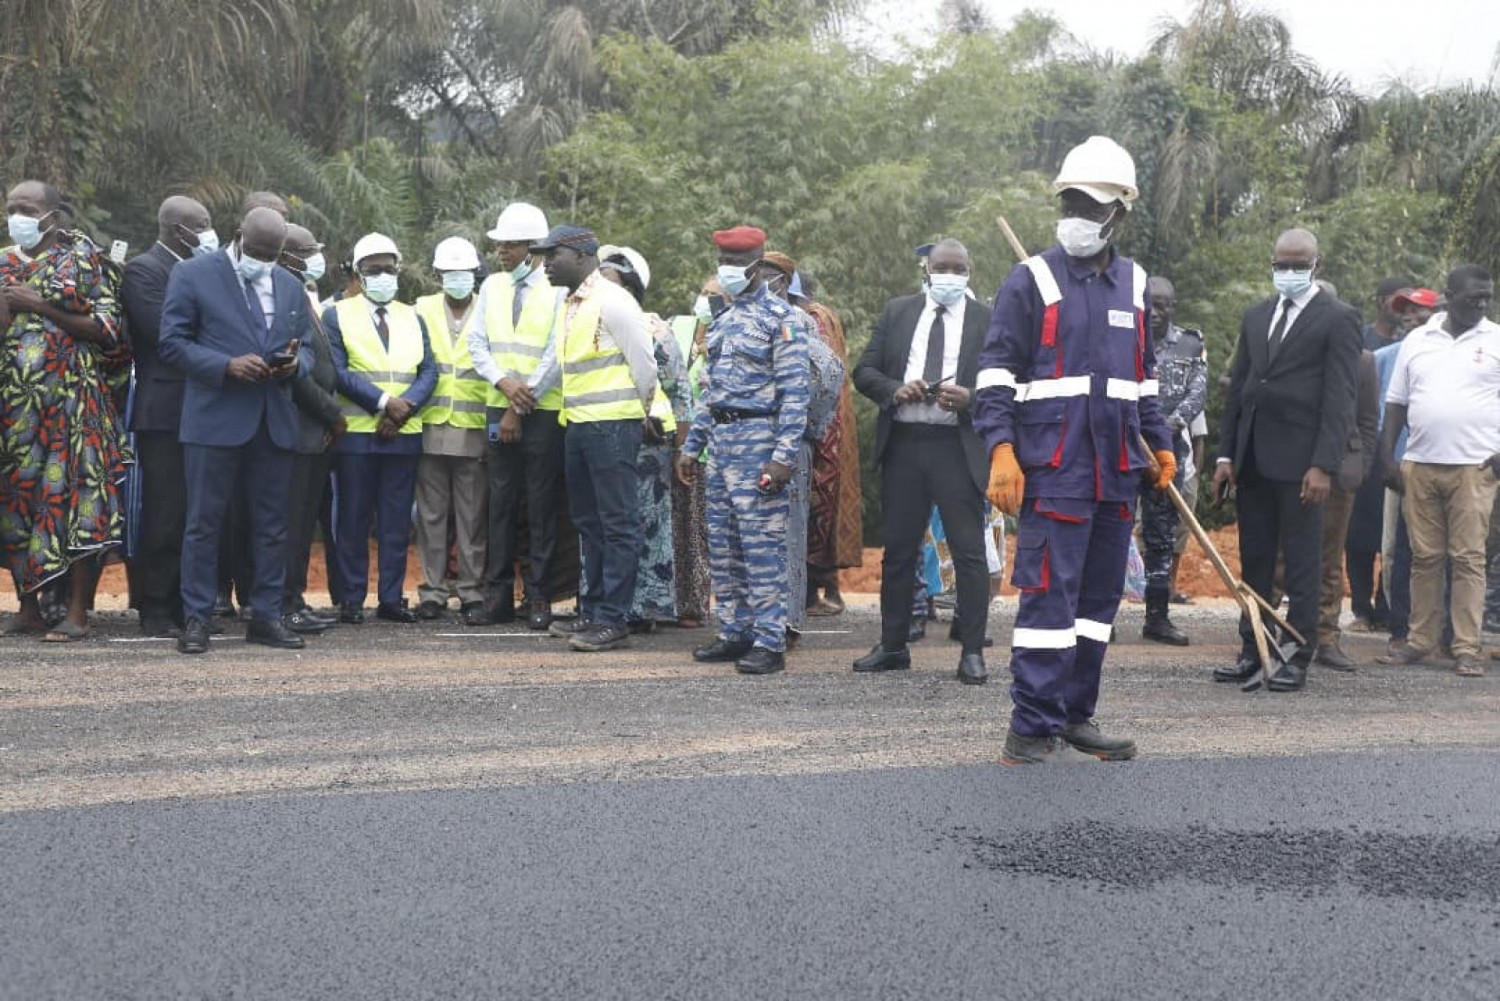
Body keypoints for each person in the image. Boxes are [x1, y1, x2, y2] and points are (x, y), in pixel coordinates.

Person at [974, 136, 1174, 763]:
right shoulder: (1029, 279)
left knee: (1095, 609)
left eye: (1089, 206)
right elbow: (996, 373)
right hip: (1055, 469)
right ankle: (1029, 726)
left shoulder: (1134, 284)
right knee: (1047, 604)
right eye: (1069, 202)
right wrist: (1001, 449)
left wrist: (1161, 445)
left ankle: (1075, 715)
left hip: (1116, 473)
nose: (1076, 217)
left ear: (1118, 213)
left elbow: (1142, 379)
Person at [157, 206, 313, 654]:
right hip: (214, 420)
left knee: (272, 526)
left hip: (273, 421)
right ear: (238, 236)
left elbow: (310, 353)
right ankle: (198, 620)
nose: (262, 260)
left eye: (272, 254)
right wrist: (224, 365)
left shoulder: (290, 285)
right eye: (257, 251)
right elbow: (172, 342)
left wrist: (295, 365)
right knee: (204, 524)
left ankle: (265, 616)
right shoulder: (193, 274)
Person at [1211, 228, 1362, 692]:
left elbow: (1340, 399)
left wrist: (1323, 464)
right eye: (1282, 264)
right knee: (1254, 559)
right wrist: (1225, 455)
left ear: (1317, 266)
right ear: (1272, 264)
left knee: (1302, 562)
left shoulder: (1338, 318)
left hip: (1303, 465)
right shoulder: (1256, 316)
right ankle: (1253, 648)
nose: (1289, 272)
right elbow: (1241, 388)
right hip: (1254, 458)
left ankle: (1298, 652)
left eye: (1299, 264)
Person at [852, 237, 993, 685]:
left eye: (959, 268)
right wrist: (895, 389)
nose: (951, 275)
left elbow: (1011, 384)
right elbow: (864, 372)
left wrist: (971, 398)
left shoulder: (986, 320)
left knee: (969, 553)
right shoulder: (898, 312)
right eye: (943, 268)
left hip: (957, 448)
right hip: (905, 445)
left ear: (969, 273)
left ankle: (971, 651)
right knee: (899, 551)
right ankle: (893, 645)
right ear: (926, 271)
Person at [0, 180, 131, 642]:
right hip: (15, 408)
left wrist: (40, 305)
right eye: (12, 207)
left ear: (52, 215)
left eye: (27, 208)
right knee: (20, 500)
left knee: (79, 501)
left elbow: (107, 330)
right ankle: (29, 607)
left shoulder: (86, 260)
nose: (17, 215)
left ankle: (76, 613)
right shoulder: (4, 262)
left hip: (76, 407)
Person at [675, 226, 810, 675]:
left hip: (760, 442)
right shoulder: (724, 321)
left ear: (757, 264)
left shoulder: (781, 319)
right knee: (726, 545)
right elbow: (711, 392)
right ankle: (734, 632)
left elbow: (795, 393)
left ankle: (769, 640)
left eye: (736, 263)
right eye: (722, 262)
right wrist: (692, 447)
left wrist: (784, 456)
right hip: (722, 445)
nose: (727, 270)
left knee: (762, 547)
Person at [534, 225, 659, 653]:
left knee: (618, 523)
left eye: (554, 255)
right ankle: (591, 611)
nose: (547, 263)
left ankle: (613, 618)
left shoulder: (614, 301)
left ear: (583, 255)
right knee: (589, 524)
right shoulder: (571, 303)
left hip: (612, 426)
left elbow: (644, 364)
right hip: (580, 426)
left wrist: (641, 411)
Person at [1380, 265, 1500, 678]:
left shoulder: (1497, 338)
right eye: (1474, 296)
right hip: (1421, 464)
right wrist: (1388, 458)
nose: (1482, 303)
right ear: (1450, 296)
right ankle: (1420, 641)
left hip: (1475, 467)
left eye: (1487, 296)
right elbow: (1395, 403)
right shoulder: (1418, 340)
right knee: (1424, 558)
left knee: (1468, 558)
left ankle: (1466, 647)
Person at [325, 233, 437, 625]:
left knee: (395, 523)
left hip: (403, 433)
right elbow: (338, 372)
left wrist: (401, 411)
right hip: (357, 435)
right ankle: (353, 599)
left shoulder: (413, 316)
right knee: (352, 519)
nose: (384, 276)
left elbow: (429, 371)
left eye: (390, 269)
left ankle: (391, 598)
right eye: (375, 270)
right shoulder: (337, 314)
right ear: (359, 273)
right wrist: (383, 404)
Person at [467, 201, 568, 629]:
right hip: (499, 404)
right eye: (500, 244)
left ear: (533, 248)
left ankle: (540, 597)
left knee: (541, 506)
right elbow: (477, 344)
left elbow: (556, 353)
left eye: (509, 244)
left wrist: (518, 404)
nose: (501, 251)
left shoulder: (559, 289)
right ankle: (498, 597)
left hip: (542, 412)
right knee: (500, 504)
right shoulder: (492, 287)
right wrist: (504, 386)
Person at [120, 195, 215, 637]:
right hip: (164, 410)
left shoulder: (204, 270)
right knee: (165, 511)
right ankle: (155, 606)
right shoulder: (145, 270)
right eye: (203, 223)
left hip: (205, 406)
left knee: (197, 510)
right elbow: (165, 334)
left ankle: (186, 605)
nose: (210, 230)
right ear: (179, 229)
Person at [597, 244, 689, 629]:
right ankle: (604, 604)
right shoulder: (587, 320)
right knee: (603, 525)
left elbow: (680, 393)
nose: (599, 283)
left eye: (610, 278)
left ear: (631, 285)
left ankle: (645, 607)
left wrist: (685, 450)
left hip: (648, 446)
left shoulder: (655, 328)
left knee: (644, 526)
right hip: (601, 437)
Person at [764, 260, 863, 616]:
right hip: (821, 427)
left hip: (815, 430)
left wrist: (813, 427)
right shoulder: (814, 315)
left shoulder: (812, 318)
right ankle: (815, 592)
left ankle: (810, 595)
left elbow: (823, 376)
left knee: (812, 509)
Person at [412, 236, 488, 622]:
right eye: (449, 273)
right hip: (429, 425)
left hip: (473, 428)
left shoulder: (489, 308)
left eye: (463, 273)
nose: (456, 279)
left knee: (472, 516)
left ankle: (472, 591)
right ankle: (433, 591)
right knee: (430, 517)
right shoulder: (422, 309)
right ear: (439, 275)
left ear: (474, 274)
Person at [279, 223, 344, 635]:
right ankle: (285, 603)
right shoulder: (285, 296)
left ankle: (294, 598)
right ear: (287, 256)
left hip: (312, 430)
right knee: (291, 522)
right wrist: (331, 412)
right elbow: (296, 373)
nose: (315, 258)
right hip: (300, 426)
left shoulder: (300, 292)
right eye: (308, 251)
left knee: (303, 524)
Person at [1138, 276, 1206, 646]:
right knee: (1111, 532)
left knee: (1161, 536)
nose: (1155, 312)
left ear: (1173, 307)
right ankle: (1098, 616)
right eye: (1150, 304)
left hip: (1166, 452)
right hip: (1124, 445)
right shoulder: (1122, 337)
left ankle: (1157, 617)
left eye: (1162, 305)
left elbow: (1196, 396)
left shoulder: (1191, 343)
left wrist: (1164, 428)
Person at [1311, 347, 1380, 670]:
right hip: (1289, 466)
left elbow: (1368, 420)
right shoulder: (1291, 348)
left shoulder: (1361, 360)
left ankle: (1326, 637)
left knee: (1329, 557)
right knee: (1281, 556)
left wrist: (1361, 466)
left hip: (1340, 473)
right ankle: (1271, 632)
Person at [669, 282, 717, 628]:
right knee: (676, 528)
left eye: (713, 295)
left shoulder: (729, 332)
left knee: (699, 531)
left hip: (708, 449)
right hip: (672, 441)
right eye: (702, 291)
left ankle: (695, 604)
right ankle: (670, 599)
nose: (705, 299)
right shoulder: (678, 326)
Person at [1364, 277, 1410, 351]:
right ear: (1382, 301)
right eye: (1400, 301)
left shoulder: (1407, 341)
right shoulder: (1360, 337)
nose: (1405, 308)